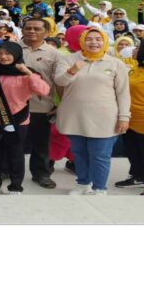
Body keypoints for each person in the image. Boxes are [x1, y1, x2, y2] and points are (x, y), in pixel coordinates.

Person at [54, 28, 131, 195]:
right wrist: (72, 70)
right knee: (79, 153)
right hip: (74, 115)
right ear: (82, 41)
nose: (94, 42)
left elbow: (123, 93)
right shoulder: (68, 59)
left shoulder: (115, 63)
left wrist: (124, 116)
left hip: (104, 117)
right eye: (89, 39)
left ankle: (99, 188)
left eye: (98, 39)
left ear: (104, 41)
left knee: (100, 155)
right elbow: (59, 81)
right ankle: (83, 184)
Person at [0, 42, 50, 195]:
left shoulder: (26, 73)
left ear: (17, 54)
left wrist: (28, 73)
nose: (3, 57)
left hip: (18, 120)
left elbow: (43, 90)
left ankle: (16, 186)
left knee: (15, 154)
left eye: (8, 53)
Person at [17, 18, 62, 189]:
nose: (31, 31)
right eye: (28, 28)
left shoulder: (54, 54)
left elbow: (59, 81)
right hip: (13, 105)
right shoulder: (11, 48)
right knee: (12, 141)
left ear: (47, 32)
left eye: (36, 28)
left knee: (41, 143)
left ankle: (41, 174)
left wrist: (60, 104)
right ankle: (7, 170)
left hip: (41, 106)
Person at [116, 39, 144, 195]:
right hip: (130, 119)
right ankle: (139, 177)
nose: (133, 49)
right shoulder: (135, 68)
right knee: (133, 151)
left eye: (138, 47)